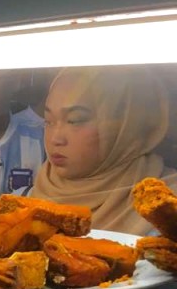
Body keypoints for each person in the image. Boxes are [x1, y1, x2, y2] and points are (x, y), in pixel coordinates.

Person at [29, 65, 175, 235]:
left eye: (75, 120)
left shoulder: (166, 206)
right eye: (48, 121)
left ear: (127, 125)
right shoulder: (32, 193)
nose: (55, 139)